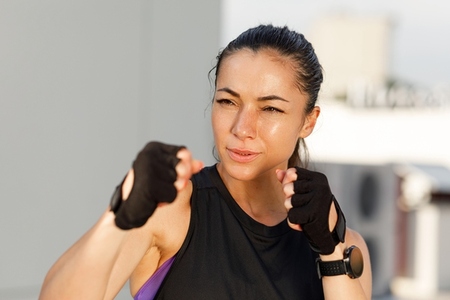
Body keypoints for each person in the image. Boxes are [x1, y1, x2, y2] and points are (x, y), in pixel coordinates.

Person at [39, 24, 372, 299]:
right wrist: (121, 212)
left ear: (308, 121)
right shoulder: (173, 211)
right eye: (228, 101)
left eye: (270, 108)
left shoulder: (343, 242)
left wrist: (329, 248)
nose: (242, 128)